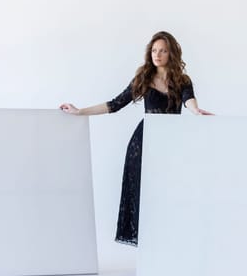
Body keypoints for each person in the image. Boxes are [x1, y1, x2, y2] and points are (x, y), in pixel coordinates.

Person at [59, 31, 214, 247]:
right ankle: (150, 251)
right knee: (145, 198)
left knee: (172, 197)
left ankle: (171, 248)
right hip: (144, 144)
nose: (157, 55)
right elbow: (115, 104)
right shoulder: (144, 78)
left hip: (172, 144)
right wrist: (80, 111)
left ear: (172, 54)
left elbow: (189, 101)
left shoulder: (182, 80)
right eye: (154, 50)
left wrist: (197, 112)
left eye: (163, 51)